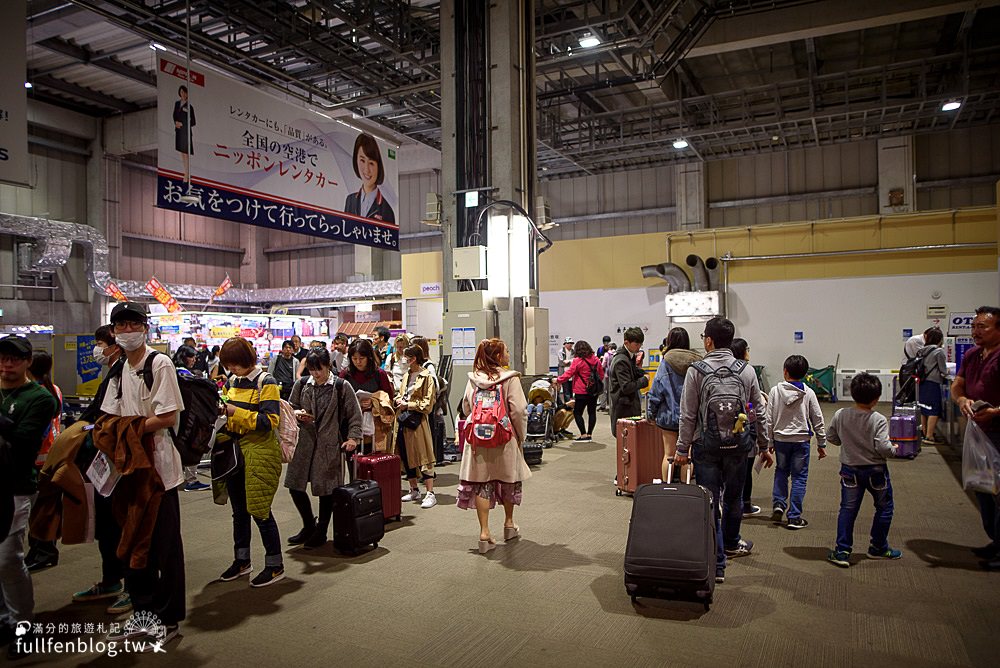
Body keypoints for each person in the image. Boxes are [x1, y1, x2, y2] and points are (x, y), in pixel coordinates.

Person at [98, 302, 185, 648]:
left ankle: (168, 619)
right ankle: (142, 612)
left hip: (161, 473)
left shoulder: (158, 363)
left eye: (133, 324)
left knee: (164, 548)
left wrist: (126, 430)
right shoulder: (120, 369)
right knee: (134, 544)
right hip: (129, 473)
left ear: (145, 329)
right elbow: (108, 414)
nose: (127, 330)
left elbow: (167, 417)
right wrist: (117, 432)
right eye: (121, 325)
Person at [675, 317, 772, 584]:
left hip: (706, 447)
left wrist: (682, 449)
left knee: (709, 500)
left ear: (708, 340)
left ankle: (716, 562)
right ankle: (731, 543)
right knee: (733, 498)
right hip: (739, 446)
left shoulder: (697, 370)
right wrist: (764, 445)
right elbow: (758, 412)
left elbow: (688, 415)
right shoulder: (746, 370)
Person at [0, 335, 57, 659]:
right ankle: (5, 619)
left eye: (14, 359)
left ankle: (24, 624)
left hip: (17, 488)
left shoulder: (39, 398)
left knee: (8, 558)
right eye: (3, 358)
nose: (7, 364)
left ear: (26, 363)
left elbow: (21, 444)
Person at [214, 337, 285, 587]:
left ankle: (275, 565)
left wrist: (235, 412)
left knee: (260, 510)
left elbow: (270, 421)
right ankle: (242, 560)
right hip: (235, 451)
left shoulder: (266, 381)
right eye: (228, 365)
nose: (232, 369)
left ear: (247, 360)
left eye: (235, 364)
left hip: (260, 452)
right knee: (239, 512)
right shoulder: (232, 382)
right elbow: (225, 409)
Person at [72, 326, 131, 616]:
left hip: (121, 459)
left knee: (124, 523)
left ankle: (132, 586)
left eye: (100, 344)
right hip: (103, 457)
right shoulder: (112, 373)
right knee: (107, 524)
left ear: (114, 346)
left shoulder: (127, 372)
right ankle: (112, 580)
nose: (96, 350)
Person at [458, 338, 531, 554]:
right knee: (509, 480)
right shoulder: (511, 379)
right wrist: (520, 435)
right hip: (504, 437)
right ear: (499, 356)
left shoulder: (473, 378)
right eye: (506, 351)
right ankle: (509, 524)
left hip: (477, 441)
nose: (508, 353)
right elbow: (518, 410)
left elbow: (465, 406)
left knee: (482, 483)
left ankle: (484, 533)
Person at [287, 348, 363, 548]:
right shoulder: (302, 384)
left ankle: (321, 530)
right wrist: (298, 414)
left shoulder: (340, 386)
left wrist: (353, 438)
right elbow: (290, 407)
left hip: (329, 445)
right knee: (295, 485)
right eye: (312, 369)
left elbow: (355, 415)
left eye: (319, 369)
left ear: (328, 366)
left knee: (326, 489)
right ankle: (308, 525)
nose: (316, 374)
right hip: (303, 443)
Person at [826, 373, 901, 568]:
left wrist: (847, 443)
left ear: (852, 394)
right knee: (884, 508)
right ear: (876, 399)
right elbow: (883, 448)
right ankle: (878, 546)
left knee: (848, 509)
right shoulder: (878, 419)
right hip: (876, 470)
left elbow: (831, 437)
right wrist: (894, 450)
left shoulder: (841, 414)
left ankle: (842, 550)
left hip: (850, 470)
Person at [950, 306, 1000, 568]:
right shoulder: (972, 355)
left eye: (983, 327)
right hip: (979, 433)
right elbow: (957, 383)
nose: (976, 331)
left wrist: (995, 412)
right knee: (983, 486)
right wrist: (962, 399)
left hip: (997, 430)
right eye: (974, 326)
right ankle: (995, 540)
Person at [766, 354, 827, 530]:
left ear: (785, 372)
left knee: (781, 472)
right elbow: (817, 418)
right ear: (805, 374)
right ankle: (794, 517)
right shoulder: (808, 392)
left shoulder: (775, 391)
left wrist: (769, 443)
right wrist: (821, 443)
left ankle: (778, 504)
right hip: (801, 441)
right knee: (799, 478)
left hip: (780, 440)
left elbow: (768, 419)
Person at [22, 351, 64, 572]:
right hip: (51, 457)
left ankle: (43, 551)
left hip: (39, 460)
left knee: (40, 511)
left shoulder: (37, 393)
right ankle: (40, 550)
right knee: (43, 510)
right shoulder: (53, 388)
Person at [647, 327, 701, 483]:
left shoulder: (666, 361)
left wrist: (651, 412)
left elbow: (657, 389)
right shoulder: (697, 362)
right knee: (687, 457)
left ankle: (667, 488)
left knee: (669, 455)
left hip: (668, 416)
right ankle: (686, 489)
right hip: (692, 417)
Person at [393, 344, 438, 509]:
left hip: (418, 420)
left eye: (407, 357)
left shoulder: (427, 376)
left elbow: (428, 403)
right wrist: (399, 400)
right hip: (403, 420)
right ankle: (414, 489)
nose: (405, 360)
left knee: (423, 455)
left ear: (415, 358)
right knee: (405, 455)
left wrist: (409, 404)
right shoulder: (407, 375)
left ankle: (430, 492)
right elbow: (402, 392)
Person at [728, 339, 764, 518]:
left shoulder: (721, 370)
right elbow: (758, 406)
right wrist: (764, 441)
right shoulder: (748, 371)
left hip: (724, 427)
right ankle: (745, 505)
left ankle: (728, 504)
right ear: (743, 352)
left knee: (727, 470)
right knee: (745, 469)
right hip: (746, 426)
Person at [174, 347, 211, 493]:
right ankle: (191, 480)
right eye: (191, 357)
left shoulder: (175, 371)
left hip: (181, 415)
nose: (194, 360)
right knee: (192, 444)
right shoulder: (182, 373)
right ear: (184, 357)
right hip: (188, 415)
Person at [556, 340, 604, 442]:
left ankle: (583, 434)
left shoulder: (577, 361)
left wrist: (558, 380)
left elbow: (569, 374)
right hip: (593, 391)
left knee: (577, 412)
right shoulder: (596, 360)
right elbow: (601, 375)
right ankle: (589, 434)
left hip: (581, 391)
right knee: (592, 412)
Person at [343, 132, 395, 223]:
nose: (366, 170)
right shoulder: (350, 201)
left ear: (378, 167)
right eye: (362, 160)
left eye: (371, 163)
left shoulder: (387, 211)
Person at [608, 328, 649, 437]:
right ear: (626, 342)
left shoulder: (628, 355)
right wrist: (644, 380)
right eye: (636, 344)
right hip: (624, 409)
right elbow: (626, 386)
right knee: (626, 444)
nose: (639, 347)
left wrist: (643, 373)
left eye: (640, 344)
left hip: (628, 406)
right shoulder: (621, 360)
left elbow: (633, 371)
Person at [915, 327, 948, 445]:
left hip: (922, 382)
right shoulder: (939, 352)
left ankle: (924, 433)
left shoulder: (921, 351)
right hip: (933, 382)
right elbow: (943, 370)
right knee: (934, 409)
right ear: (939, 339)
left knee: (924, 408)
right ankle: (929, 436)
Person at [173, 84, 195, 183]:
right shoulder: (177, 104)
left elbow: (193, 121)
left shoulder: (190, 106)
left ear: (187, 94)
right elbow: (174, 115)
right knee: (182, 153)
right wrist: (176, 123)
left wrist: (184, 124)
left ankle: (187, 174)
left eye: (184, 92)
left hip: (185, 132)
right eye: (181, 92)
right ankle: (185, 172)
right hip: (179, 131)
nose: (182, 94)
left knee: (186, 153)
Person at [557, 337, 575, 404]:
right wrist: (571, 362)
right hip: (564, 374)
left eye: (571, 343)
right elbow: (561, 363)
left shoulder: (573, 352)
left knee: (571, 390)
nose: (570, 344)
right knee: (566, 390)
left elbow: (575, 362)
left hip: (572, 374)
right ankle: (567, 404)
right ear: (565, 344)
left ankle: (571, 403)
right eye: (568, 343)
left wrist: (568, 361)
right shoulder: (561, 351)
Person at [600, 342, 616, 412]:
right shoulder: (616, 354)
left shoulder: (606, 354)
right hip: (614, 375)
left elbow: (603, 365)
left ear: (609, 347)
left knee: (604, 390)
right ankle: (612, 405)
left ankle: (603, 405)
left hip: (606, 374)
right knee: (612, 390)